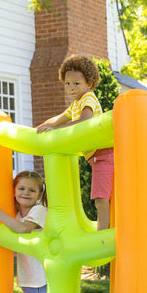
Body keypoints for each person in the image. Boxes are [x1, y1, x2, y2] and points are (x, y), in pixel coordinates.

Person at [37, 54, 113, 231]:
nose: (71, 88)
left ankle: (102, 235)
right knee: (102, 198)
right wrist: (39, 128)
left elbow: (84, 122)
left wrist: (56, 130)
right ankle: (104, 231)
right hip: (98, 156)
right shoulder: (76, 104)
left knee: (101, 199)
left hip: (104, 154)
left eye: (76, 84)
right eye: (67, 83)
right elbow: (59, 119)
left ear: (89, 83)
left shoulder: (88, 99)